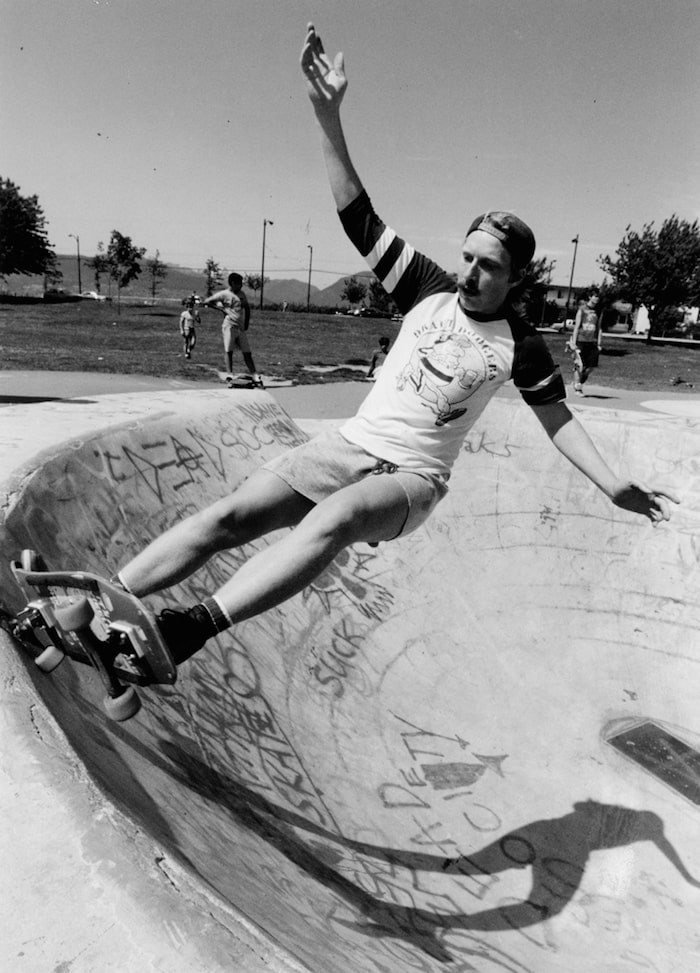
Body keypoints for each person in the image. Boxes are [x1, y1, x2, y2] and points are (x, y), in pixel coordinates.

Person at [112, 23, 678, 664]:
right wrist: (327, 116)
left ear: (515, 275)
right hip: (346, 447)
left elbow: (558, 420)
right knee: (229, 517)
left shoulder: (522, 344)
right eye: (465, 257)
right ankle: (105, 599)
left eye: (487, 265)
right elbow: (359, 216)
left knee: (337, 520)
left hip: (411, 479)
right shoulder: (426, 289)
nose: (468, 273)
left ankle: (187, 630)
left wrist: (610, 484)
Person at [202, 272, 263, 386]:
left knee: (247, 352)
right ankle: (229, 374)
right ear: (233, 283)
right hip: (229, 325)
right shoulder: (224, 294)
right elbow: (207, 302)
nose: (241, 286)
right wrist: (222, 309)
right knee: (229, 351)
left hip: (240, 327)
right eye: (239, 283)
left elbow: (247, 308)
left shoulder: (241, 294)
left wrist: (247, 323)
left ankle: (254, 374)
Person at [568, 293, 602, 395]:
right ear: (590, 297)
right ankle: (578, 387)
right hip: (581, 340)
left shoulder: (598, 311)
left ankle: (578, 382)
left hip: (592, 342)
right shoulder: (582, 309)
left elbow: (599, 328)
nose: (597, 298)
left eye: (598, 297)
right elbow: (577, 327)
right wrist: (573, 343)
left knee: (590, 367)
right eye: (595, 296)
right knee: (580, 365)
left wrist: (599, 343)